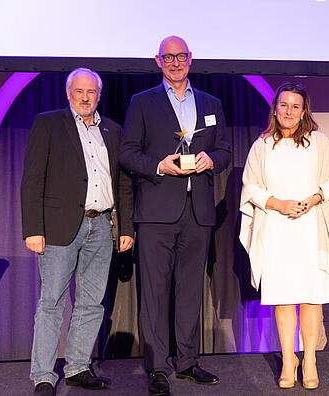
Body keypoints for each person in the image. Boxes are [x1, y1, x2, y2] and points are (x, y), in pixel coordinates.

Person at [119, 35, 231, 396]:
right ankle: (157, 366)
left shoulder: (211, 103)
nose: (175, 62)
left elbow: (226, 150)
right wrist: (159, 166)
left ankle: (186, 362)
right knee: (154, 291)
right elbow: (128, 153)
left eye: (180, 56)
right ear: (157, 61)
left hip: (198, 212)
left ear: (190, 59)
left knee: (189, 291)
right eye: (168, 57)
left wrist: (212, 160)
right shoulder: (142, 102)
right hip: (155, 213)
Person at [21, 67, 134, 396]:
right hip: (58, 228)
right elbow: (32, 180)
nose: (86, 98)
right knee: (51, 303)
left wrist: (124, 226)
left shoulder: (113, 130)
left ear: (99, 95)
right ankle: (43, 374)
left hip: (102, 225)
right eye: (79, 92)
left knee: (92, 303)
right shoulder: (49, 123)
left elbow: (123, 183)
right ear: (68, 93)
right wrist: (33, 229)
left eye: (92, 92)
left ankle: (77, 367)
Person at [239, 83, 329, 390]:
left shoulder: (318, 141)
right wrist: (278, 203)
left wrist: (313, 199)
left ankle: (310, 359)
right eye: (284, 105)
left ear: (304, 111)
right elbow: (250, 186)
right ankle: (289, 360)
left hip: (310, 227)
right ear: (275, 109)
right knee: (284, 297)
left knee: (311, 296)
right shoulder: (262, 145)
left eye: (295, 106)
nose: (289, 111)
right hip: (276, 228)